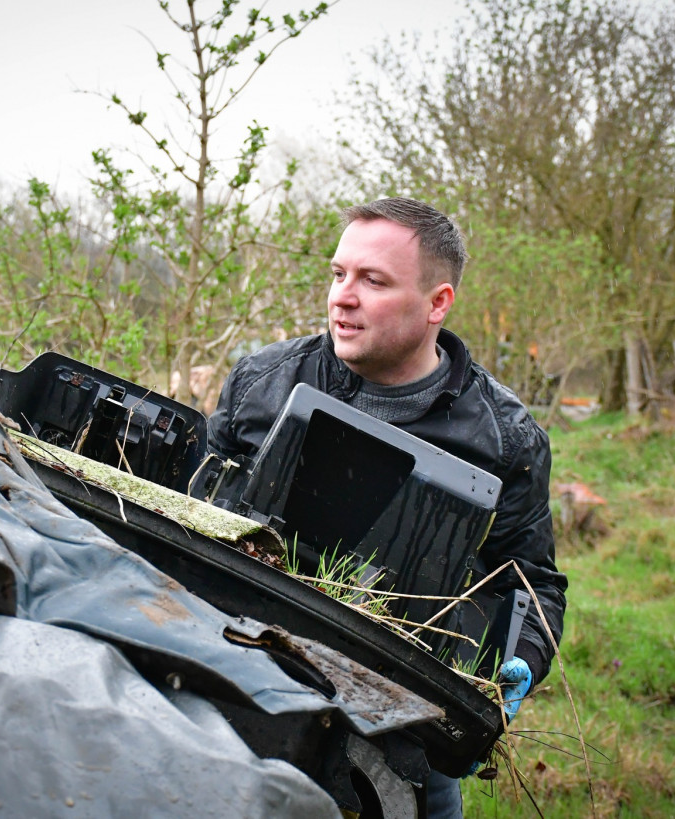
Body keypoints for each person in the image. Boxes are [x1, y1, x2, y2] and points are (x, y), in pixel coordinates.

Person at [207, 197, 567, 817]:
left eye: (372, 280)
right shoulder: (262, 384)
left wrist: (518, 666)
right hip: (238, 696)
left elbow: (533, 587)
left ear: (438, 302)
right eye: (338, 274)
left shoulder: (506, 439)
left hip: (401, 738)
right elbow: (192, 505)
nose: (341, 297)